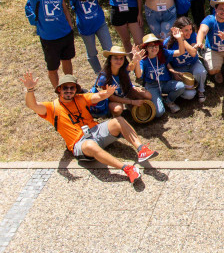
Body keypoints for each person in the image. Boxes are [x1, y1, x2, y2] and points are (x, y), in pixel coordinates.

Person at [21, 72, 157, 183]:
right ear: (59, 90)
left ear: (76, 89)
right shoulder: (52, 107)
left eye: (72, 88)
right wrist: (30, 89)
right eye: (65, 88)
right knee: (90, 145)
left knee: (119, 120)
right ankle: (127, 169)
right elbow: (32, 105)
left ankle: (141, 149)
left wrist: (108, 93)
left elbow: (97, 96)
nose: (69, 91)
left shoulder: (80, 98)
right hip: (80, 143)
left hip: (95, 132)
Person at [5, 0, 74, 89]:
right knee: (52, 68)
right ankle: (58, 91)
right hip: (48, 38)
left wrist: (70, 24)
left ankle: (69, 87)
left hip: (65, 34)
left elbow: (64, 7)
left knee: (67, 61)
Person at [63, 0, 112, 75]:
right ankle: (99, 74)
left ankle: (112, 72)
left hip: (99, 23)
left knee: (109, 48)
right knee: (91, 53)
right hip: (85, 28)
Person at [90, 46, 152, 119]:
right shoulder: (104, 77)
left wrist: (135, 61)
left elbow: (132, 67)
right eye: (116, 58)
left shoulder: (124, 68)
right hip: (112, 99)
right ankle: (112, 114)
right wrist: (131, 102)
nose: (119, 61)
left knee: (147, 96)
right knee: (118, 109)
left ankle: (130, 107)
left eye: (121, 58)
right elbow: (111, 97)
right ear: (110, 59)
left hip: (126, 92)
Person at [134, 31, 187, 115]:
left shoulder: (162, 53)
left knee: (180, 86)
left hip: (165, 83)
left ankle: (168, 101)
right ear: (146, 48)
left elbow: (181, 52)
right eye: (151, 46)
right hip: (152, 86)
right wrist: (136, 61)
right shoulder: (143, 60)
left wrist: (180, 39)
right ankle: (154, 99)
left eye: (156, 45)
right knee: (159, 113)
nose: (154, 48)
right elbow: (138, 75)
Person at [165, 16, 207, 102]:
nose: (189, 32)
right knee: (190, 95)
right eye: (186, 30)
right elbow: (164, 59)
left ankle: (201, 90)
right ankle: (184, 90)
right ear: (179, 30)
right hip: (179, 68)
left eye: (190, 29)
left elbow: (193, 53)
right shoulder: (168, 42)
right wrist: (172, 71)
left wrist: (181, 39)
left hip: (193, 63)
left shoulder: (193, 36)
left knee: (201, 72)